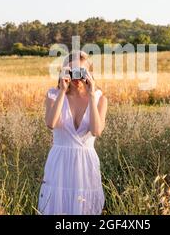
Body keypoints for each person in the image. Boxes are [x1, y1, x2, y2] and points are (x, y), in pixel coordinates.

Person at [38, 51, 108, 215]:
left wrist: (91, 95)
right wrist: (62, 90)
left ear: (90, 73)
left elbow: (96, 131)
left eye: (81, 72)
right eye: (71, 71)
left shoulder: (100, 99)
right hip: (60, 162)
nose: (76, 77)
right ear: (63, 72)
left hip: (86, 163)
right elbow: (51, 123)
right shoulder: (53, 95)